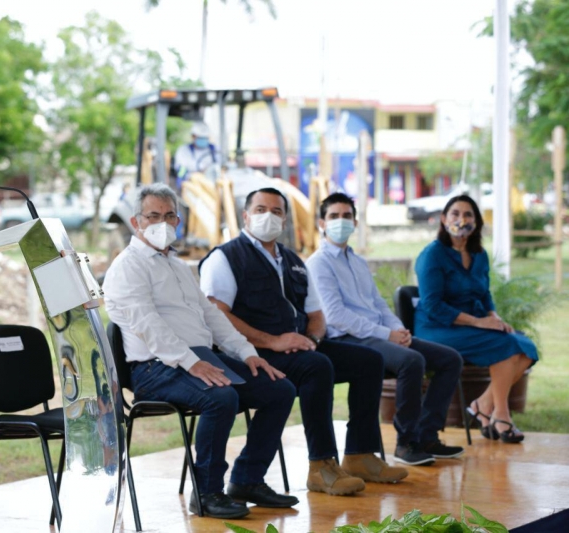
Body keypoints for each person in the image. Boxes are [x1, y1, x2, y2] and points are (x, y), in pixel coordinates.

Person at [103, 183, 297, 519]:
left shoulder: (178, 266)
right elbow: (149, 326)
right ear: (136, 222)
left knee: (279, 390)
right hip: (154, 367)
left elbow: (212, 315)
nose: (161, 222)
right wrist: (191, 363)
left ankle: (247, 481)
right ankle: (206, 493)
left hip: (197, 358)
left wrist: (247, 352)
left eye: (168, 216)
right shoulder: (127, 267)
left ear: (177, 220)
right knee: (220, 398)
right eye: (152, 216)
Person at [199, 187, 408, 496]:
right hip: (249, 352)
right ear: (245, 216)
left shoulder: (292, 260)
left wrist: (309, 338)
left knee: (368, 360)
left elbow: (316, 314)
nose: (268, 216)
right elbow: (216, 315)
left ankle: (361, 454)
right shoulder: (226, 257)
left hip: (296, 345)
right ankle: (321, 465)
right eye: (260, 210)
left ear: (285, 219)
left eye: (276, 211)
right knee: (317, 366)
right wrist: (274, 341)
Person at [307, 193, 465, 466]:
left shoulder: (358, 261)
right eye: (334, 216)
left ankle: (427, 435)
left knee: (450, 359)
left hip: (380, 334)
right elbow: (336, 316)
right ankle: (406, 443)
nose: (341, 221)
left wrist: (399, 331)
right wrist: (386, 334)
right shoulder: (318, 263)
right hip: (348, 339)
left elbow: (378, 304)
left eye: (347, 216)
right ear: (322, 223)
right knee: (411, 361)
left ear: (355, 222)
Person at [414, 195, 538, 444]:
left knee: (526, 348)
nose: (462, 220)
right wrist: (479, 322)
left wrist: (494, 316)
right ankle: (501, 415)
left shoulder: (479, 254)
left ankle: (483, 405)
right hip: (437, 328)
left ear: (477, 222)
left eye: (468, 214)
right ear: (443, 219)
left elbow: (485, 294)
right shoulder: (432, 255)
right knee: (505, 346)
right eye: (455, 214)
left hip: (472, 325)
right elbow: (432, 305)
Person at [173, 121, 220, 188]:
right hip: (192, 184)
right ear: (193, 137)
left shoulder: (215, 149)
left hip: (212, 182)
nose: (203, 139)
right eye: (200, 137)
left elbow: (220, 167)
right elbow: (181, 171)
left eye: (205, 137)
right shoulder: (183, 151)